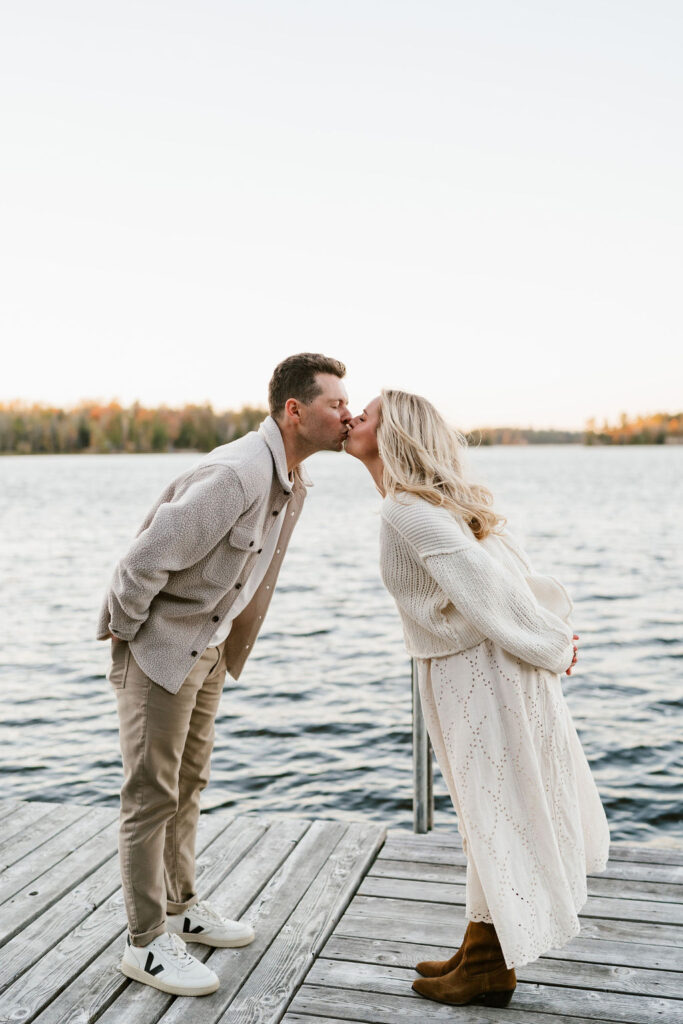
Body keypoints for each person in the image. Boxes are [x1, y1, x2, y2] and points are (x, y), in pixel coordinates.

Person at [344, 389, 610, 1009]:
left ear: (396, 436)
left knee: (489, 811)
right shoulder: (417, 505)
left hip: (480, 678)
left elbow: (491, 589)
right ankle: (481, 949)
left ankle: (490, 964)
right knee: (482, 812)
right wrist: (549, 638)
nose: (355, 416)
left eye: (370, 413)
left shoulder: (407, 511)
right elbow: (502, 580)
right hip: (474, 671)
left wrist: (551, 643)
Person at [96, 353, 351, 997]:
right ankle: (147, 942)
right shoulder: (239, 475)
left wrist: (208, 643)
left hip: (204, 649)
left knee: (188, 780)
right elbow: (139, 564)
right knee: (150, 794)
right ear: (295, 411)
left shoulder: (289, 478)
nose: (347, 413)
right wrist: (134, 641)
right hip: (159, 651)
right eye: (336, 404)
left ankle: (181, 906)